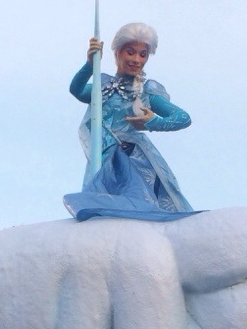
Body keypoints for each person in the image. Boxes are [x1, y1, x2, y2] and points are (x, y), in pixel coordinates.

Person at [65, 22, 195, 221]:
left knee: (136, 202)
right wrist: (90, 64)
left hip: (130, 157)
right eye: (131, 52)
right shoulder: (102, 85)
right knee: (96, 205)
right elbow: (77, 90)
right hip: (102, 156)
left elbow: (183, 118)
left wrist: (153, 122)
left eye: (143, 55)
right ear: (117, 53)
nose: (136, 59)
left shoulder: (146, 91)